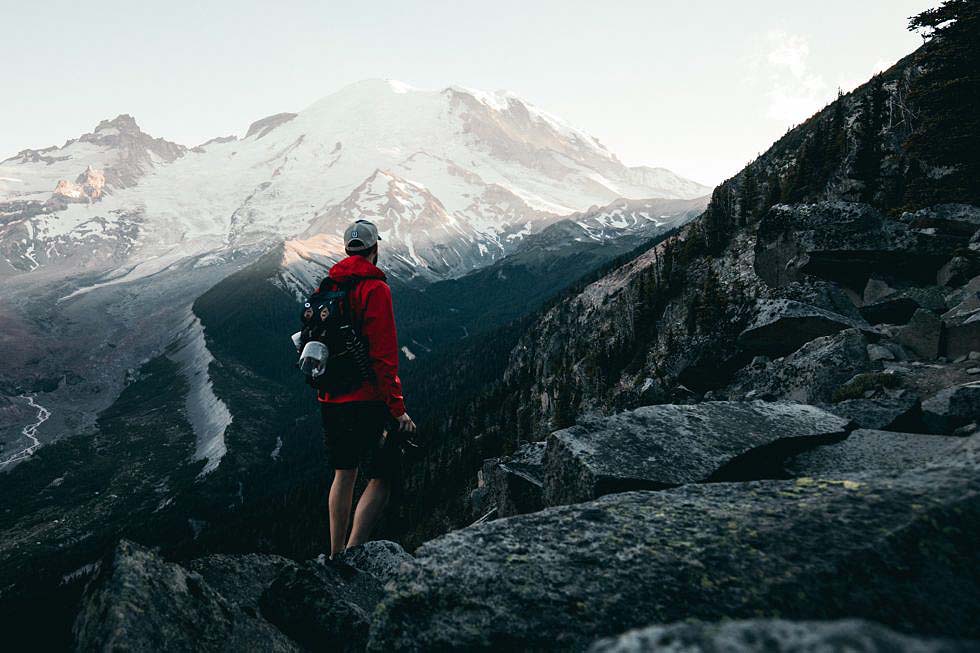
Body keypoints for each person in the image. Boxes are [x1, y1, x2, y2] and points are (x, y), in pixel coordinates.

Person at [317, 219, 416, 559]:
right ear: (375, 249)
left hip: (330, 396)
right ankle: (356, 550)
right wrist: (398, 407)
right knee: (383, 475)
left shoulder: (328, 286)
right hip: (367, 399)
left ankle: (333, 554)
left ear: (347, 250)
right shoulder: (376, 290)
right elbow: (384, 356)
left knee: (343, 473)